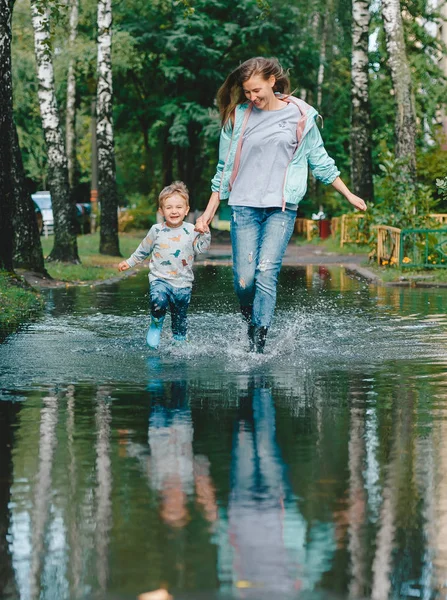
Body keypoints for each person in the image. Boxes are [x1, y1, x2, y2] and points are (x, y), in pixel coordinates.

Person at [195, 57, 367, 353]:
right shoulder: (238, 117)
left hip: (281, 208)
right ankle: (251, 322)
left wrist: (348, 193)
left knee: (266, 272)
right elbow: (223, 169)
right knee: (244, 280)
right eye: (247, 92)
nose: (252, 97)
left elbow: (320, 160)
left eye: (257, 90)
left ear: (272, 81)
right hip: (244, 207)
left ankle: (258, 341)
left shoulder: (301, 115)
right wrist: (208, 214)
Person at [118, 181, 211, 348]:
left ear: (186, 210)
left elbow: (200, 249)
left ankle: (180, 340)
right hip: (160, 279)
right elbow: (143, 250)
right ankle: (156, 324)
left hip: (183, 283)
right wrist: (129, 262)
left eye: (178, 207)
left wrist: (205, 234)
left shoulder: (191, 230)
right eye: (169, 207)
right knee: (158, 301)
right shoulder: (156, 230)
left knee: (180, 318)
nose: (174, 211)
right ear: (161, 211)